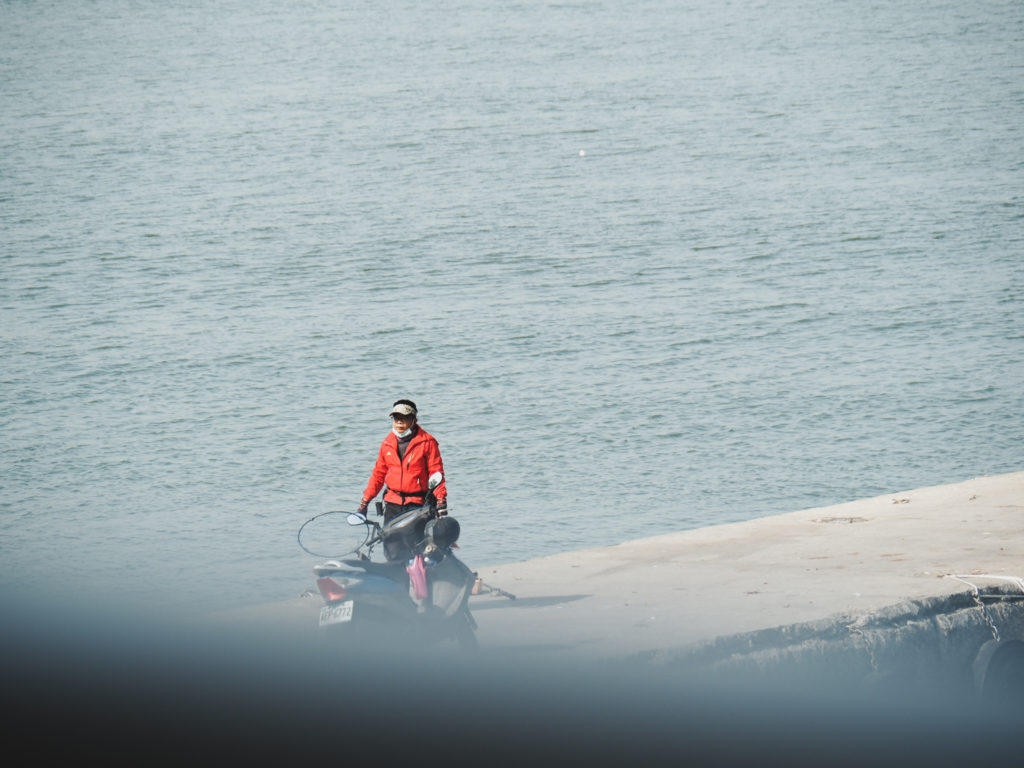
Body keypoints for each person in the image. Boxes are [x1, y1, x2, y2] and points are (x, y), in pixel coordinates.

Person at [358, 399, 448, 525]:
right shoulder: (387, 444)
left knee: (416, 543)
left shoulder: (428, 443)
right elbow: (378, 475)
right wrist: (364, 503)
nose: (399, 422)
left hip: (419, 505)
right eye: (396, 418)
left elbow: (436, 473)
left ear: (414, 421)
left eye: (404, 418)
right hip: (392, 504)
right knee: (390, 541)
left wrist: (441, 500)